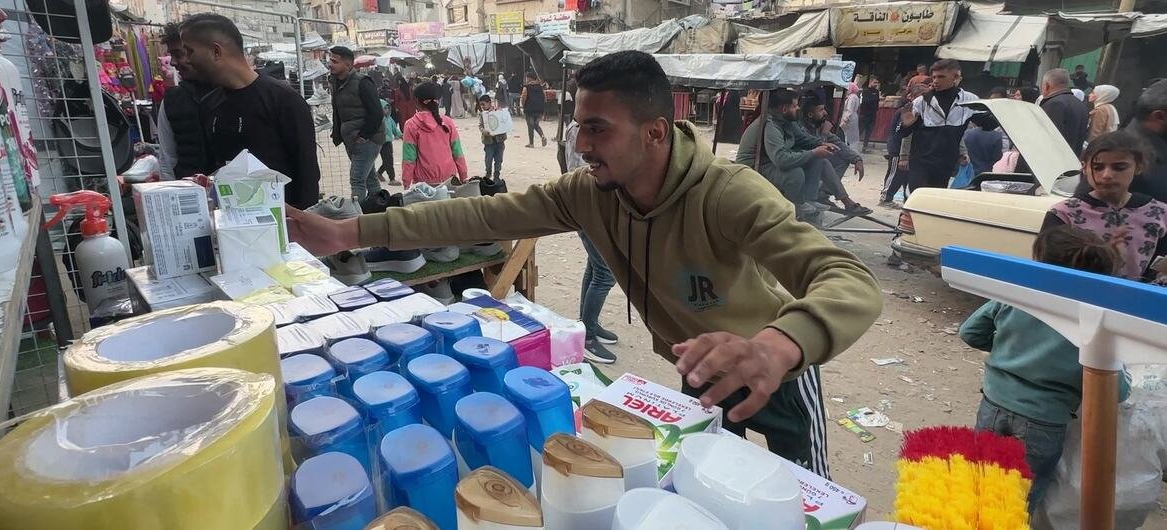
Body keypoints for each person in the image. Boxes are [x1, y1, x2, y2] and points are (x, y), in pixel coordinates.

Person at [285, 51, 883, 479]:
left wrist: (778, 347)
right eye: (579, 128)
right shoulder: (587, 192)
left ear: (653, 132)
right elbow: (477, 218)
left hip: (775, 362)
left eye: (598, 130)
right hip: (699, 366)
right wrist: (350, 231)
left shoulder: (728, 192)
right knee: (711, 483)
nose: (582, 145)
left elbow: (848, 279)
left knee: (809, 496)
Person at [961, 224, 1131, 513]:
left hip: (992, 406)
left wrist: (1009, 351)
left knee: (981, 481)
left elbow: (970, 332)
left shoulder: (1018, 297)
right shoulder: (1097, 320)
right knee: (1020, 498)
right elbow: (1117, 391)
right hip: (1044, 424)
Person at [180, 14, 319, 208]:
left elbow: (308, 175)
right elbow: (209, 168)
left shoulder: (283, 100)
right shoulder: (209, 105)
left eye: (189, 51)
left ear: (216, 51)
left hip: (282, 228)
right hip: (230, 227)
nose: (185, 60)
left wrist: (303, 228)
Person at [1043, 130, 1167, 282]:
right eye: (1098, 167)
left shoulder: (1159, 213)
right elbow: (1048, 270)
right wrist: (1105, 256)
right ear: (1084, 167)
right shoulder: (1063, 213)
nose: (1107, 175)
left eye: (1119, 167)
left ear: (1138, 167)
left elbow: (1159, 270)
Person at [562, 118, 620, 363]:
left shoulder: (578, 128)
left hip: (590, 209)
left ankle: (588, 325)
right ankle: (586, 338)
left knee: (595, 267)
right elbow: (585, 175)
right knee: (606, 273)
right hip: (590, 209)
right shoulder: (583, 132)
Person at [737, 88, 838, 223]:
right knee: (794, 174)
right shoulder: (771, 125)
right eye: (795, 106)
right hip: (753, 167)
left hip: (769, 161)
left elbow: (803, 139)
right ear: (784, 109)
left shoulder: (787, 121)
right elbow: (781, 160)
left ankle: (806, 200)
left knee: (817, 160)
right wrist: (813, 152)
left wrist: (821, 144)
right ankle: (792, 209)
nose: (798, 108)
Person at [899, 59, 996, 191]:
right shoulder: (921, 102)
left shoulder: (968, 100)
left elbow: (988, 124)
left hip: (946, 164)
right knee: (916, 200)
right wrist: (905, 125)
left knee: (935, 203)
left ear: (955, 77)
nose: (936, 81)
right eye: (934, 77)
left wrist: (1000, 109)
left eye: (941, 77)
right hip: (921, 163)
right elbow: (903, 133)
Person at [156, 22, 220, 181]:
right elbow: (167, 159)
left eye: (179, 54)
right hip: (189, 193)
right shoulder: (172, 101)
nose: (172, 62)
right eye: (171, 55)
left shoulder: (234, 93)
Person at [327, 46, 387, 202]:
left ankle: (355, 219)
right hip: (351, 139)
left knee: (357, 180)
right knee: (370, 179)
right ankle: (378, 211)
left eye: (334, 61)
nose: (330, 64)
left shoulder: (362, 82)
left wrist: (363, 136)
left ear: (348, 65)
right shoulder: (335, 82)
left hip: (367, 140)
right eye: (330, 60)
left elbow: (377, 112)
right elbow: (338, 111)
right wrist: (337, 133)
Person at [799, 95, 871, 216]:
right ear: (810, 115)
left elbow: (839, 144)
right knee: (822, 160)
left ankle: (822, 194)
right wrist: (824, 134)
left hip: (811, 165)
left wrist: (857, 159)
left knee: (842, 158)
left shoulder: (817, 125)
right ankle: (846, 201)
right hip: (800, 163)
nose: (825, 113)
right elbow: (812, 148)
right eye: (821, 110)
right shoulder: (800, 127)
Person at [400, 81, 468, 189]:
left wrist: (406, 184)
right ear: (437, 100)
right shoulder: (447, 122)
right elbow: (458, 152)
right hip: (449, 181)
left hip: (425, 184)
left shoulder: (411, 125)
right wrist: (463, 177)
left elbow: (409, 159)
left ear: (416, 101)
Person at [881, 82, 929, 208]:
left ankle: (907, 201)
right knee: (895, 175)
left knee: (906, 178)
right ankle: (885, 198)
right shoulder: (906, 112)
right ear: (912, 97)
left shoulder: (922, 112)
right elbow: (904, 134)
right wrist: (903, 155)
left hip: (910, 152)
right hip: (898, 149)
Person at [1039, 69, 1089, 157]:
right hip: (1072, 159)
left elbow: (1046, 138)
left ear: (1047, 85)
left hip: (1052, 161)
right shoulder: (1080, 104)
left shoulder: (1055, 104)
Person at [477, 95, 505, 180]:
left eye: (483, 104)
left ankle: (496, 175)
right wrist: (483, 131)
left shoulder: (498, 111)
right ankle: (488, 173)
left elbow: (503, 122)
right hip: (488, 142)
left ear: (489, 103)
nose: (482, 106)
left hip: (499, 141)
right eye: (481, 105)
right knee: (488, 160)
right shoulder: (483, 114)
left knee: (499, 159)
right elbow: (480, 125)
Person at [378, 91, 402, 185]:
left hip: (387, 142)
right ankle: (389, 177)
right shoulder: (377, 119)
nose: (386, 110)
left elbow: (394, 128)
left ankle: (384, 175)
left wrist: (400, 135)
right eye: (384, 108)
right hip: (379, 142)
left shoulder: (389, 119)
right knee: (388, 160)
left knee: (388, 159)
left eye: (388, 108)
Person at [520, 72, 548, 148]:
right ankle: (542, 136)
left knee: (530, 126)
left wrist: (523, 106)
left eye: (526, 77)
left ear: (529, 78)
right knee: (536, 124)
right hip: (539, 110)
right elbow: (545, 98)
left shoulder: (526, 87)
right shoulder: (540, 87)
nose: (525, 79)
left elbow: (523, 98)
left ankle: (531, 143)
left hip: (529, 110)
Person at [859, 77, 881, 153]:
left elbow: (877, 101)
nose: (876, 84)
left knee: (869, 131)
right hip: (865, 114)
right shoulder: (865, 91)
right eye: (874, 82)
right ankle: (854, 145)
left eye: (877, 83)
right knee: (861, 130)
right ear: (870, 82)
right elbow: (864, 101)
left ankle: (865, 146)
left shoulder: (876, 92)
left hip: (873, 114)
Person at [838, 83, 861, 151]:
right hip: (853, 116)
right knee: (852, 135)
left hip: (850, 118)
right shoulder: (855, 96)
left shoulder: (852, 97)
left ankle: (848, 148)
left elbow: (849, 109)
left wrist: (845, 119)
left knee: (848, 134)